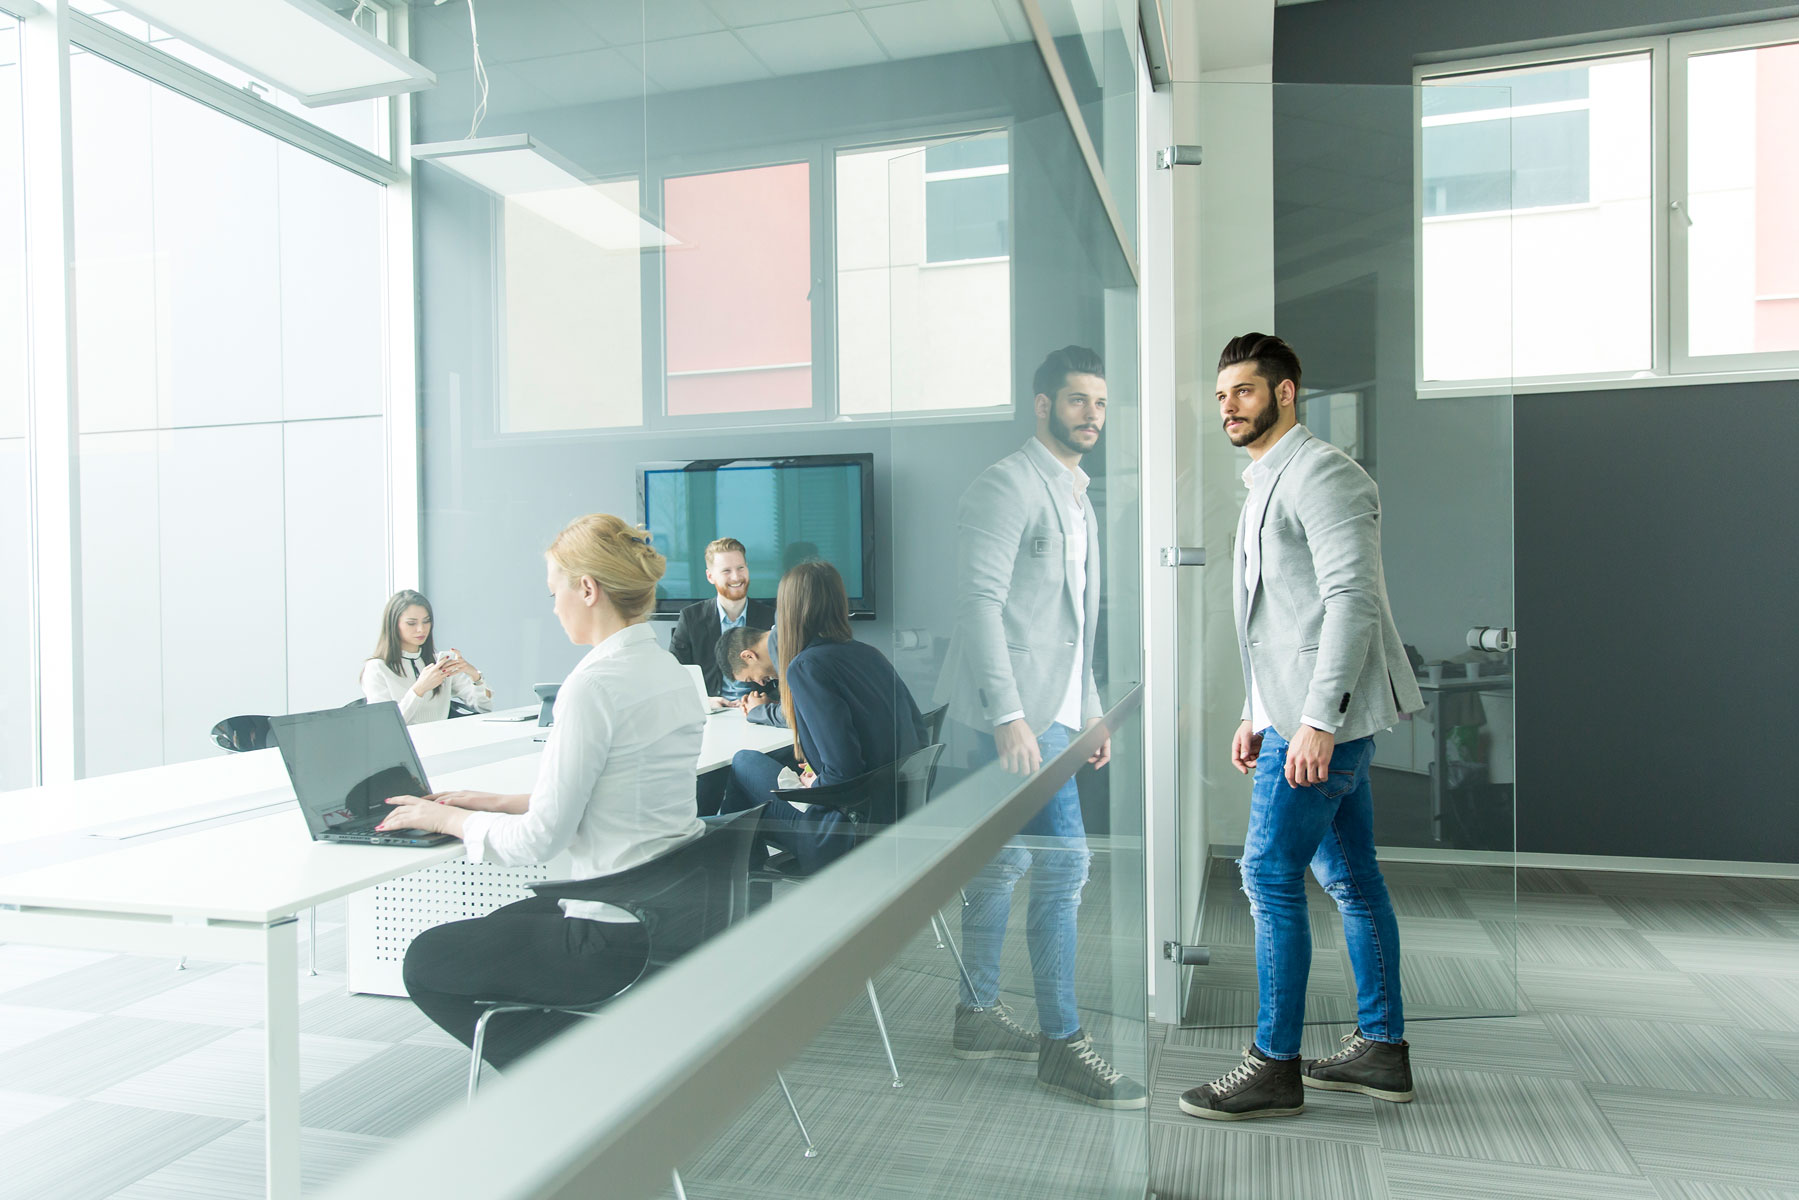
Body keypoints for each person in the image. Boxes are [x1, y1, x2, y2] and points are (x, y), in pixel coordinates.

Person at [1179, 333, 1424, 1122]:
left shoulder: (1322, 474)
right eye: (1221, 396)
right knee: (1351, 880)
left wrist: (1315, 721)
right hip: (1290, 711)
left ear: (1285, 393)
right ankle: (1381, 1050)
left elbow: (1350, 601)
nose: (1228, 408)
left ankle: (1271, 1066)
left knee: (1267, 876)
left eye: (1243, 392)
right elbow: (1277, 616)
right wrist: (1257, 710)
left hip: (1321, 718)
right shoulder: (1263, 482)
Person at [379, 514, 706, 1070]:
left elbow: (538, 842)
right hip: (675, 915)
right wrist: (499, 801)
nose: (553, 606)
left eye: (555, 590)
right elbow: (622, 794)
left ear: (587, 588)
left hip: (609, 938)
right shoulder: (671, 670)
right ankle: (588, 1066)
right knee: (509, 918)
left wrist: (445, 822)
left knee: (425, 961)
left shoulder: (593, 685)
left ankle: (563, 1085)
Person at [934, 345, 1146, 1110]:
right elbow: (979, 607)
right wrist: (1011, 716)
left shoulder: (1077, 497)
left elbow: (1070, 625)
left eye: (1099, 402)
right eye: (1076, 400)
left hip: (1055, 714)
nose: (1091, 415)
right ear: (1041, 404)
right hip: (1013, 720)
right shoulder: (1004, 486)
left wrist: (1088, 711)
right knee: (1064, 868)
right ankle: (1062, 1043)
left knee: (1006, 867)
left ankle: (975, 1011)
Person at [717, 561, 926, 873]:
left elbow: (843, 773)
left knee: (743, 763)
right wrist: (819, 775)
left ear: (786, 611)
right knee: (748, 808)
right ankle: (739, 885)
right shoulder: (869, 653)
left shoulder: (805, 667)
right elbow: (917, 735)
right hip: (892, 822)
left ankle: (733, 889)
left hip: (843, 835)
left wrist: (815, 785)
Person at [359, 590, 492, 724]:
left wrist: (475, 676)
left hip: (445, 741)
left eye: (426, 621)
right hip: (403, 744)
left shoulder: (439, 663)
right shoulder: (377, 668)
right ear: (393, 624)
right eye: (411, 623)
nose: (421, 629)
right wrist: (419, 689)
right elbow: (386, 725)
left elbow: (483, 707)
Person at [670, 537, 775, 706]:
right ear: (710, 576)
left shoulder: (772, 617)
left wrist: (769, 702)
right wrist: (704, 701)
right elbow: (674, 676)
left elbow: (786, 674)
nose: (736, 577)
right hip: (713, 711)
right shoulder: (691, 618)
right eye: (726, 571)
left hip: (761, 712)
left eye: (740, 568)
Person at [715, 625, 785, 727]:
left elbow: (801, 716)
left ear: (748, 656)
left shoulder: (793, 654)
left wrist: (759, 711)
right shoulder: (784, 635)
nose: (761, 683)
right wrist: (772, 705)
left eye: (751, 678)